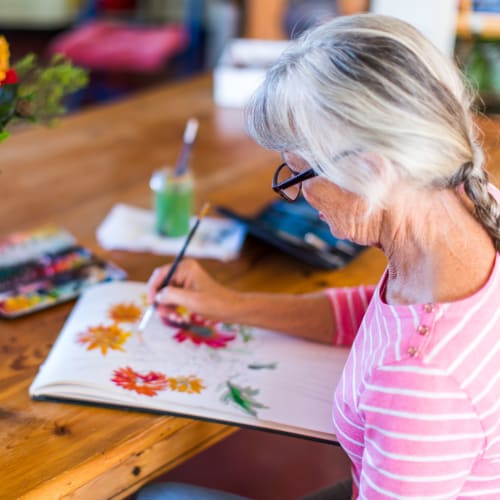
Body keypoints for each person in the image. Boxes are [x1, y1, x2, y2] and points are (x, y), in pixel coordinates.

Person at [138, 13, 500, 500]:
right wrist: (225, 305)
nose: (298, 196)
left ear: (372, 170)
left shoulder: (421, 386)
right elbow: (377, 314)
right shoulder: (472, 202)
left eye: (298, 174)